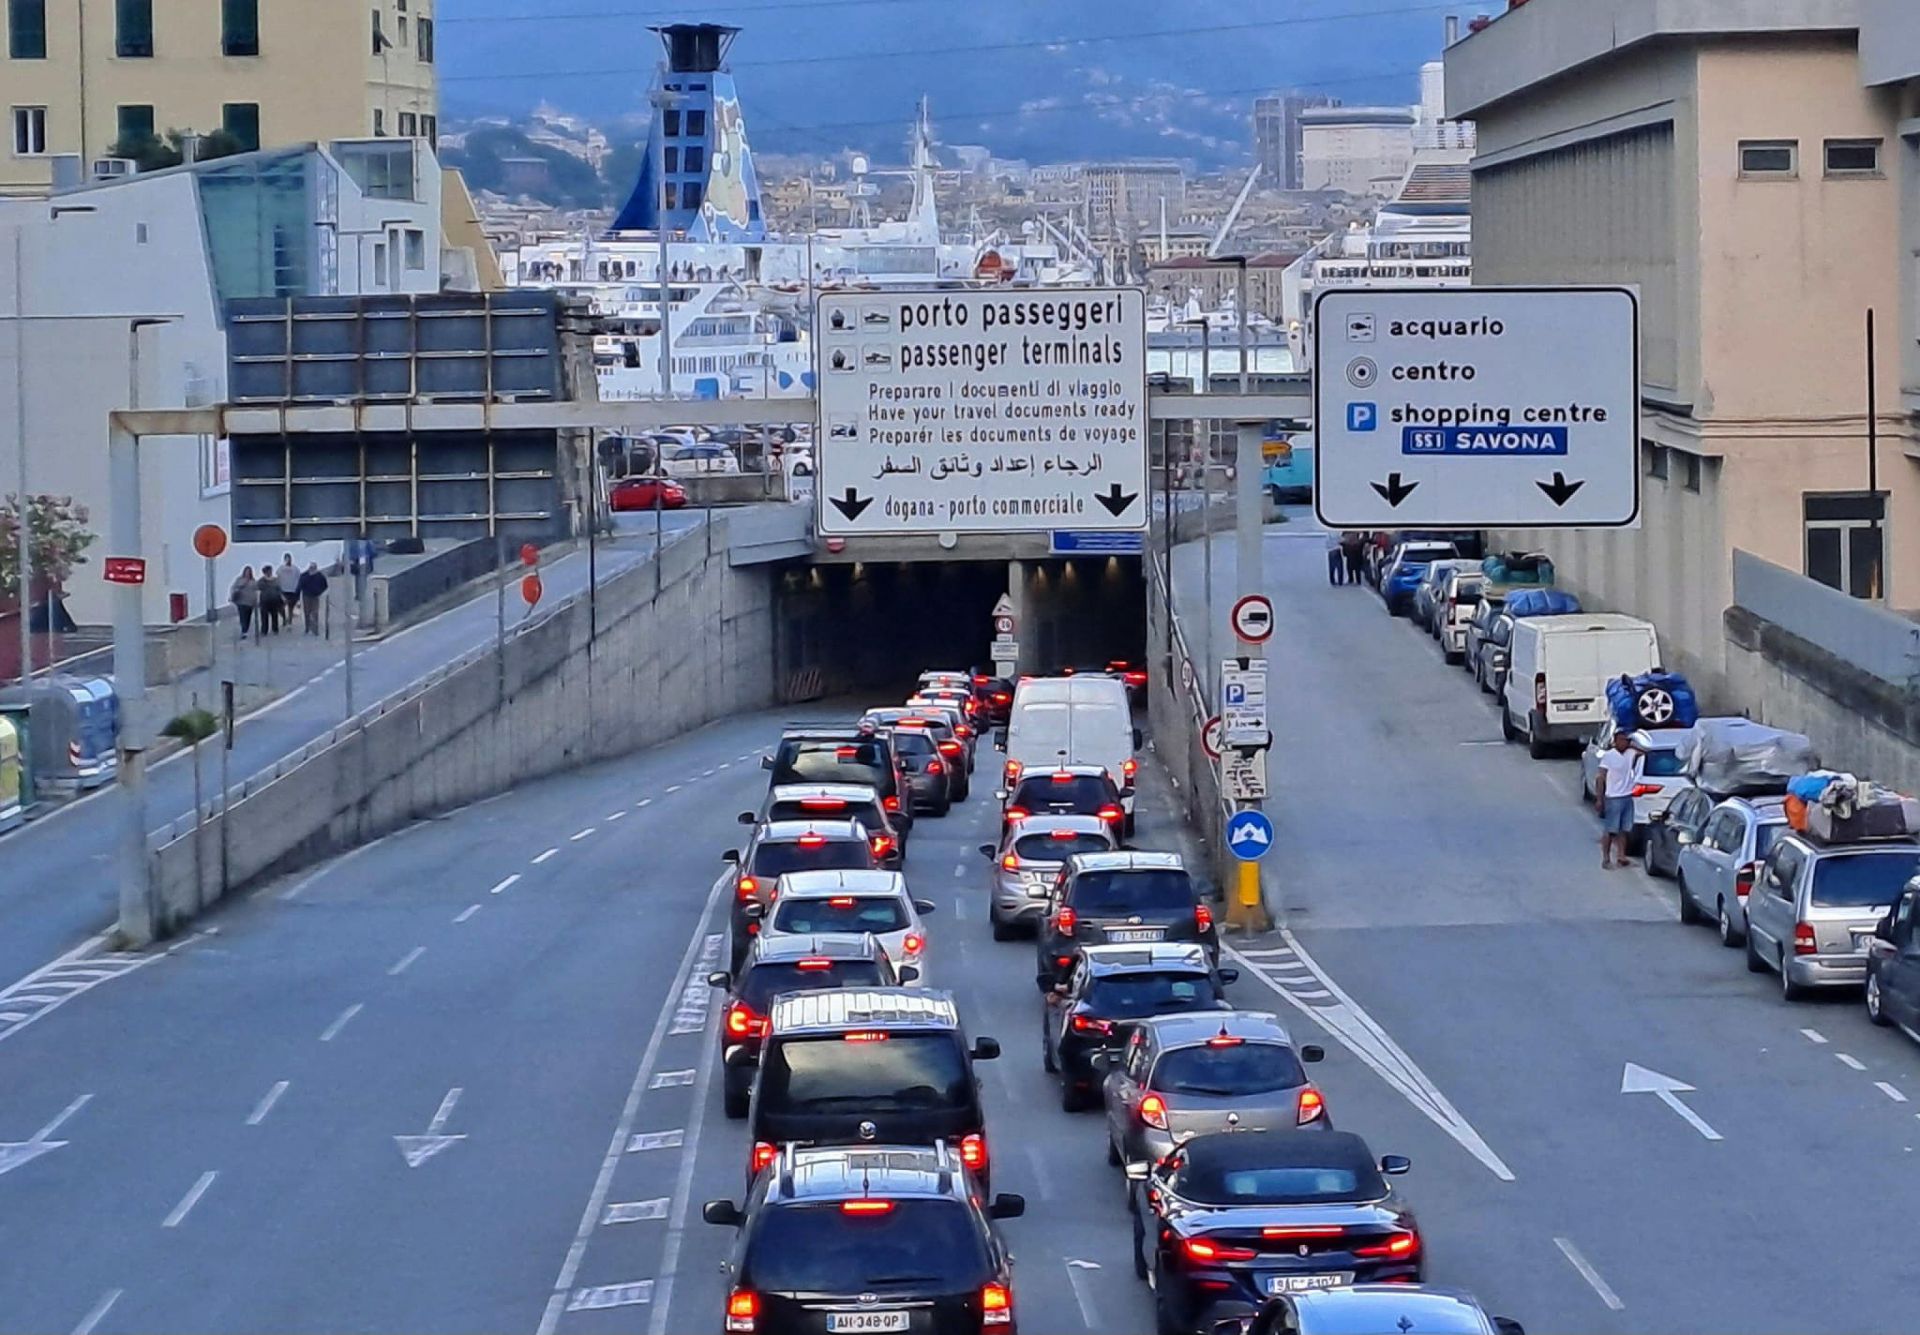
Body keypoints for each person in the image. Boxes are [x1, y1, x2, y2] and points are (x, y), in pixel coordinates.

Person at [1596, 730, 1647, 870]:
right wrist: (1599, 799)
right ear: (1615, 741)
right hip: (1613, 797)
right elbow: (1601, 778)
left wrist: (1632, 746)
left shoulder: (1630, 754)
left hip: (1627, 795)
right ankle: (1606, 859)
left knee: (1624, 830)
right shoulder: (1608, 756)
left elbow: (1645, 752)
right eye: (1621, 740)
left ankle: (1621, 856)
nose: (1624, 743)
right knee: (1611, 830)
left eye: (1626, 740)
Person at [298, 562, 329, 635]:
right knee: (307, 612)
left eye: (313, 567)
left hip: (315, 596)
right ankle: (307, 628)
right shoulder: (304, 575)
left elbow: (325, 585)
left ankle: (315, 629)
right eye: (311, 567)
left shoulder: (320, 576)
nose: (312, 569)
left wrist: (319, 592)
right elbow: (300, 585)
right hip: (306, 596)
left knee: (315, 612)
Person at [230, 566, 257, 638]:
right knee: (242, 616)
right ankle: (243, 631)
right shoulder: (239, 580)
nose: (247, 573)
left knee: (248, 617)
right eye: (246, 571)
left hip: (250, 603)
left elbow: (255, 591)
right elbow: (234, 587)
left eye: (249, 572)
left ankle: (245, 630)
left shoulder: (253, 581)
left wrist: (256, 601)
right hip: (241, 601)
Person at [256, 567, 282, 635]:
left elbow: (279, 589)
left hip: (274, 600)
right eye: (268, 571)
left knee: (274, 615)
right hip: (264, 601)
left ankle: (275, 629)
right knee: (264, 616)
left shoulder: (275, 580)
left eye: (270, 571)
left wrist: (280, 598)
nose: (269, 572)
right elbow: (258, 588)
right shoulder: (261, 580)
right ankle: (264, 631)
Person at [276, 554, 300, 628]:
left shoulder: (295, 568)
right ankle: (284, 619)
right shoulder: (280, 568)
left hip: (293, 591)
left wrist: (297, 591)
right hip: (283, 591)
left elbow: (298, 579)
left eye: (289, 558)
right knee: (280, 607)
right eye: (286, 558)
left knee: (291, 607)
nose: (288, 560)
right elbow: (277, 577)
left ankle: (289, 622)